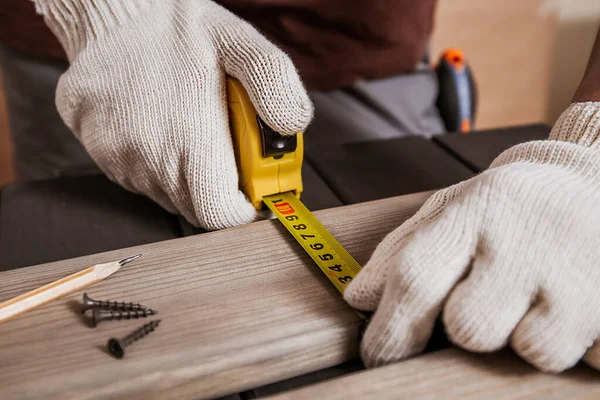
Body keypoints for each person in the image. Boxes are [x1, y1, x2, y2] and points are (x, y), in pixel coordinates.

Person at [1, 0, 600, 375]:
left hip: (352, 36)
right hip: (88, 43)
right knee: (66, 217)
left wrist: (592, 151)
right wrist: (105, 13)